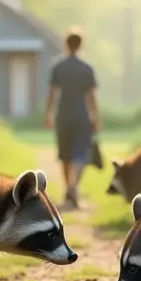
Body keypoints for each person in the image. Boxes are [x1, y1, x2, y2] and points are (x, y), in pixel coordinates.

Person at [44, 27, 100, 209]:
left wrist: (48, 114)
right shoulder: (86, 68)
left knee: (65, 155)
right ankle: (73, 186)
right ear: (81, 45)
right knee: (81, 153)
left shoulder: (58, 67)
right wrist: (95, 117)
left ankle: (69, 187)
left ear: (65, 44)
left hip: (63, 115)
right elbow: (91, 96)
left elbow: (52, 94)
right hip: (82, 115)